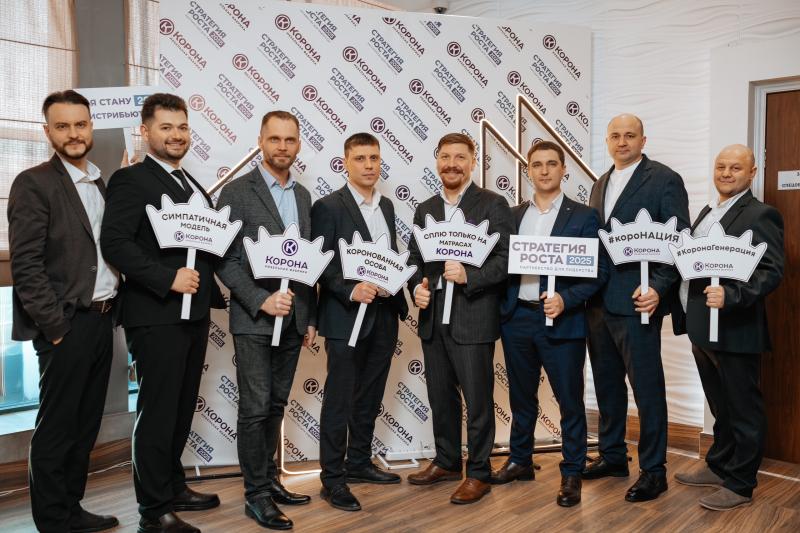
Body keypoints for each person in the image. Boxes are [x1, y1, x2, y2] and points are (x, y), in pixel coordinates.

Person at [101, 93, 226, 533]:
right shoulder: (130, 179)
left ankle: (172, 486)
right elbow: (115, 243)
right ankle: (153, 511)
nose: (176, 135)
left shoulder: (191, 184)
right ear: (145, 131)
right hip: (155, 314)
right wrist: (166, 278)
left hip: (193, 315)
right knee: (157, 411)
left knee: (180, 407)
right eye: (166, 127)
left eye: (182, 127)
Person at [8, 90, 119, 533]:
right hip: (66, 324)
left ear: (91, 127)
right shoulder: (33, 183)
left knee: (85, 423)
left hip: (103, 319)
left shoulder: (100, 182)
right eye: (63, 126)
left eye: (80, 124)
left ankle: (72, 509)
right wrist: (56, 327)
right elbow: (26, 266)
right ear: (47, 131)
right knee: (58, 427)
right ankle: (53, 520)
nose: (74, 133)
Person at [491, 141, 607, 507]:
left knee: (569, 400)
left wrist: (566, 300)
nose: (544, 170)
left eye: (551, 164)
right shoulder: (512, 215)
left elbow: (598, 271)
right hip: (517, 318)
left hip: (562, 319)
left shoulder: (584, 216)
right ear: (528, 171)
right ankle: (520, 460)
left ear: (563, 169)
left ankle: (572, 471)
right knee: (521, 397)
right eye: (537, 164)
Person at [216, 110, 315, 530]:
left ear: (298, 145)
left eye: (289, 140)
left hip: (293, 320)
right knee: (255, 408)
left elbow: (307, 261)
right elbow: (223, 259)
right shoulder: (237, 192)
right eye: (274, 139)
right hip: (254, 319)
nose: (282, 147)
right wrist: (261, 300)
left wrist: (308, 316)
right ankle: (255, 495)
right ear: (261, 141)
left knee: (275, 404)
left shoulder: (304, 196)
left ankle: (271, 480)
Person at [584, 114, 690, 502]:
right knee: (607, 386)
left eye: (630, 135)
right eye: (615, 135)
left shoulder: (664, 179)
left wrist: (659, 289)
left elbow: (680, 241)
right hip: (597, 303)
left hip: (638, 303)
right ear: (607, 141)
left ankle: (654, 470)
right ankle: (613, 455)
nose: (622, 141)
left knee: (647, 390)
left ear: (643, 140)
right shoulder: (600, 183)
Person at [672, 145, 783, 511]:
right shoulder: (708, 211)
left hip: (735, 328)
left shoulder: (761, 214)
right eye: (721, 166)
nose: (726, 173)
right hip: (701, 325)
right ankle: (720, 465)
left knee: (743, 407)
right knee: (720, 404)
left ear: (752, 173)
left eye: (736, 167)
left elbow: (771, 271)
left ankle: (740, 483)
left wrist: (733, 295)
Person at [406, 133, 513, 504]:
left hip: (473, 316)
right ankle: (448, 461)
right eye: (445, 157)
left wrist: (471, 276)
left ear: (472, 161)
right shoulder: (426, 209)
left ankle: (479, 473)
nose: (452, 164)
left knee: (478, 401)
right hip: (433, 317)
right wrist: (416, 288)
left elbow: (505, 260)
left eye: (460, 157)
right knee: (440, 396)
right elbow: (414, 259)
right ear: (437, 160)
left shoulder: (493, 204)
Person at [311, 133, 409, 512]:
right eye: (361, 158)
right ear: (345, 163)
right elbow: (321, 262)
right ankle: (332, 480)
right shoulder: (328, 206)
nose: (369, 165)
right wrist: (350, 289)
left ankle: (358, 463)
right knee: (339, 399)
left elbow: (387, 257)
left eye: (374, 158)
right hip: (345, 317)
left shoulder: (387, 206)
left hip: (383, 315)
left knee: (369, 396)